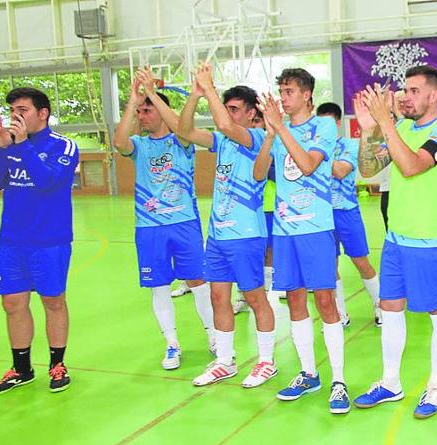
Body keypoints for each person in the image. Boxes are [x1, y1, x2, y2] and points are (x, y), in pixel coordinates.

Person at [151, 63, 278, 388]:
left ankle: (266, 362)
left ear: (252, 114)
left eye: (235, 109)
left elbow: (222, 121)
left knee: (255, 298)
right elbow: (184, 131)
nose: (229, 115)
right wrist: (191, 95)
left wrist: (209, 88)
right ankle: (225, 360)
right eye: (228, 108)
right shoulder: (221, 142)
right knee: (218, 299)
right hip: (219, 236)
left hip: (246, 235)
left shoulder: (257, 137)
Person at [352, 65, 437, 419]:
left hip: (430, 239)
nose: (405, 96)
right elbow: (368, 170)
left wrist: (384, 122)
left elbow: (413, 165)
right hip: (397, 239)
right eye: (405, 90)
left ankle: (435, 386)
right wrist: (368, 130)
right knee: (390, 308)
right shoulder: (399, 127)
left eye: (414, 91)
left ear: (433, 96)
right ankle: (390, 382)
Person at [254, 68, 349, 414]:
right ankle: (309, 373)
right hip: (284, 230)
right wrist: (268, 136)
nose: (284, 97)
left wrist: (280, 128)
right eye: (281, 91)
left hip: (316, 228)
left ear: (307, 94)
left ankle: (338, 380)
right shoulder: (277, 131)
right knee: (294, 300)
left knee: (325, 301)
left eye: (290, 91)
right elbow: (258, 173)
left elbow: (308, 165)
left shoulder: (323, 126)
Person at [113, 73, 215, 371]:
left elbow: (182, 126)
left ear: (161, 110)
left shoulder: (182, 141)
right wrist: (134, 98)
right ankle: (172, 343)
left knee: (198, 281)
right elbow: (120, 142)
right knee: (159, 286)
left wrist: (152, 93)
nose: (142, 116)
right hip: (149, 227)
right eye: (139, 111)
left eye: (147, 110)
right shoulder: (139, 145)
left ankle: (212, 335)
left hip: (184, 223)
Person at [0, 87, 78, 396]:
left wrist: (21, 146)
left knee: (53, 300)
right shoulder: (8, 146)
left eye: (22, 110)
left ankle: (57, 364)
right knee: (12, 303)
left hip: (50, 240)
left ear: (42, 113)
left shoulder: (63, 146)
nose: (16, 116)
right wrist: (0, 148)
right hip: (12, 240)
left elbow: (48, 181)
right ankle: (21, 369)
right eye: (13, 111)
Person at [316, 101, 382, 328]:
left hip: (346, 212)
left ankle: (379, 304)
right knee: (329, 265)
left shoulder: (349, 146)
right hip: (323, 215)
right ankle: (339, 313)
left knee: (360, 261)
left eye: (327, 123)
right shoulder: (312, 147)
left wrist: (318, 153)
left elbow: (341, 171)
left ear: (336, 123)